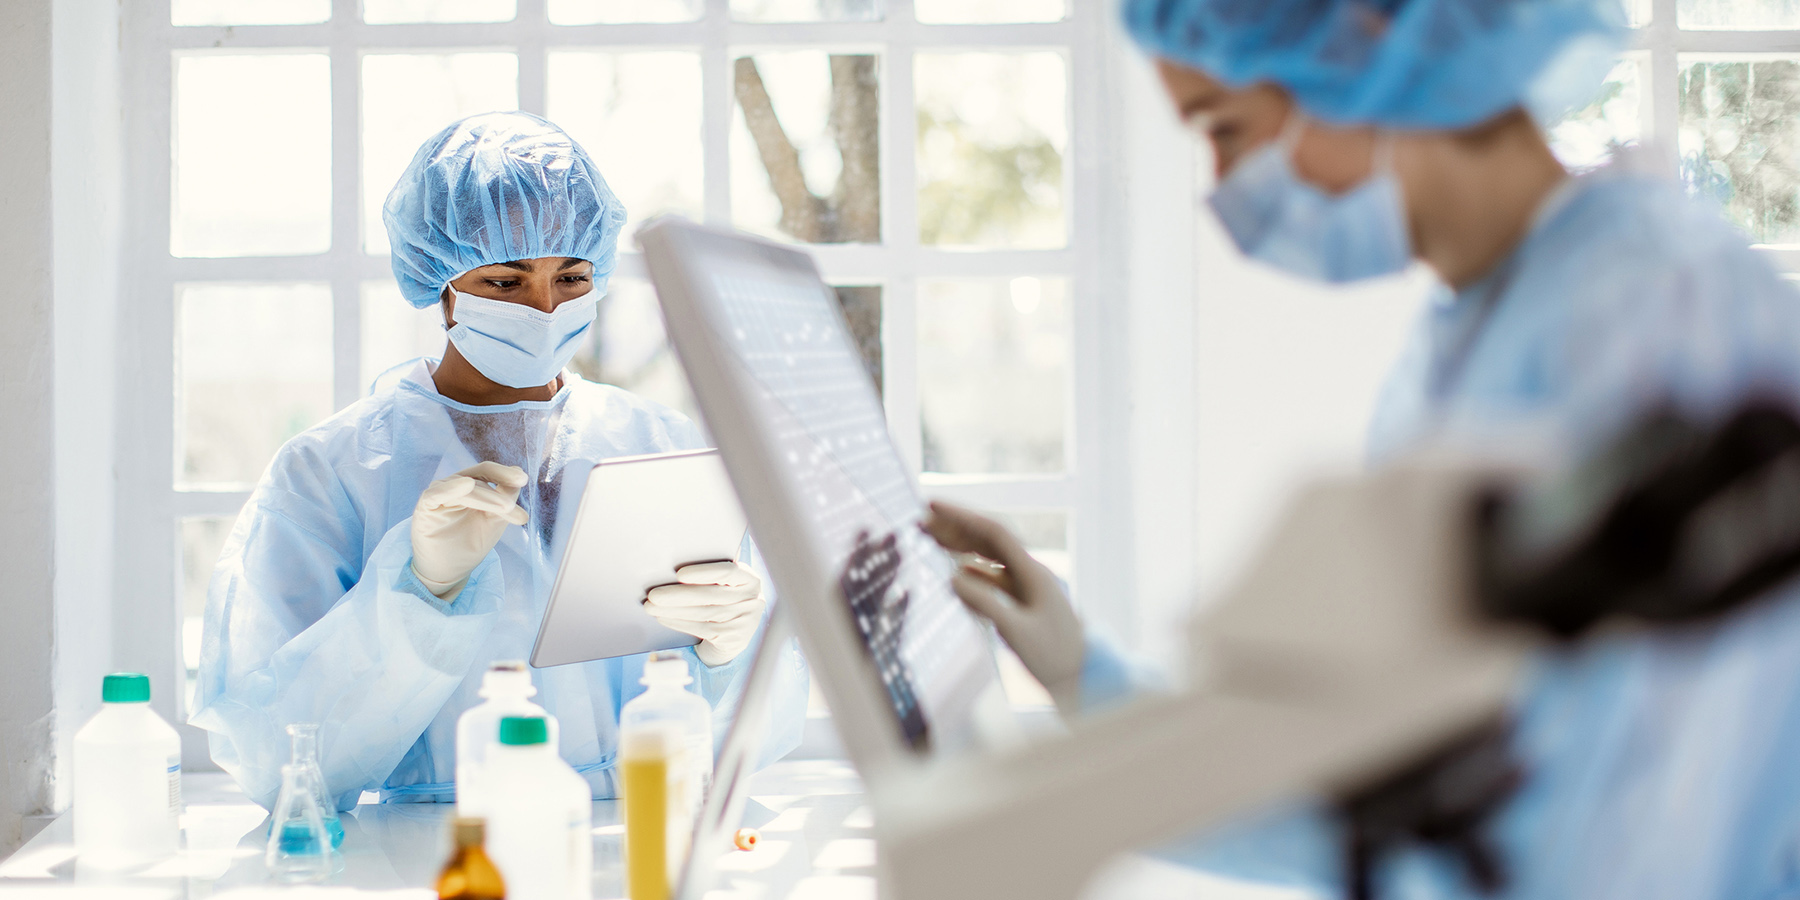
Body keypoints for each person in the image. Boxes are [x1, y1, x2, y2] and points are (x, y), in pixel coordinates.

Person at [926, 0, 1800, 896]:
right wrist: (1089, 683)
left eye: (1226, 130)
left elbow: (1652, 823)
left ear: (1368, 44)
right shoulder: (1472, 329)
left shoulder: (1652, 310)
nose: (1223, 184)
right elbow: (1408, 774)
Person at [190, 111, 808, 810]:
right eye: (507, 283)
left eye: (572, 277)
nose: (545, 308)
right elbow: (277, 760)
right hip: (433, 850)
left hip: (631, 833)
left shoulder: (658, 442)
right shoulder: (332, 471)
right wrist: (416, 592)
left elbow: (757, 732)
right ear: (440, 284)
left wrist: (730, 654)